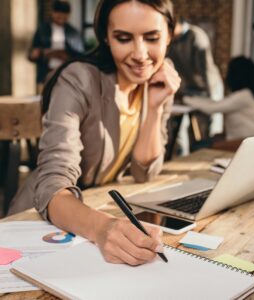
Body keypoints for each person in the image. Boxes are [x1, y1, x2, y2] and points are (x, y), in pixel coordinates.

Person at [9, 0, 180, 266]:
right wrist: (103, 229)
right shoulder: (78, 79)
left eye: (152, 37)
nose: (140, 54)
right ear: (106, 38)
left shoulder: (160, 78)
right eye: (123, 38)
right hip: (39, 225)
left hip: (93, 225)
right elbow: (53, 185)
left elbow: (144, 172)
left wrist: (155, 107)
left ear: (170, 34)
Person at [167, 18, 224, 153]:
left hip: (209, 87)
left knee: (208, 126)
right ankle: (184, 155)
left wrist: (210, 98)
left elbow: (207, 69)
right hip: (190, 88)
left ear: (176, 25)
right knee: (181, 123)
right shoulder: (173, 41)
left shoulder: (197, 36)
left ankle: (205, 154)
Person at [183, 56, 254, 141]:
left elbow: (212, 108)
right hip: (243, 138)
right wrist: (192, 99)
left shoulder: (243, 95)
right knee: (205, 141)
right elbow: (214, 104)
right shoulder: (244, 94)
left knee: (199, 146)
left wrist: (185, 99)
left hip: (244, 140)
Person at [28, 0, 85, 91]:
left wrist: (65, 55)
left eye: (64, 13)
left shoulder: (73, 33)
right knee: (43, 101)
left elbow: (81, 56)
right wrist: (42, 53)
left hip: (67, 75)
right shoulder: (42, 30)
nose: (61, 16)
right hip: (45, 75)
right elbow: (31, 54)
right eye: (58, 13)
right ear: (52, 12)